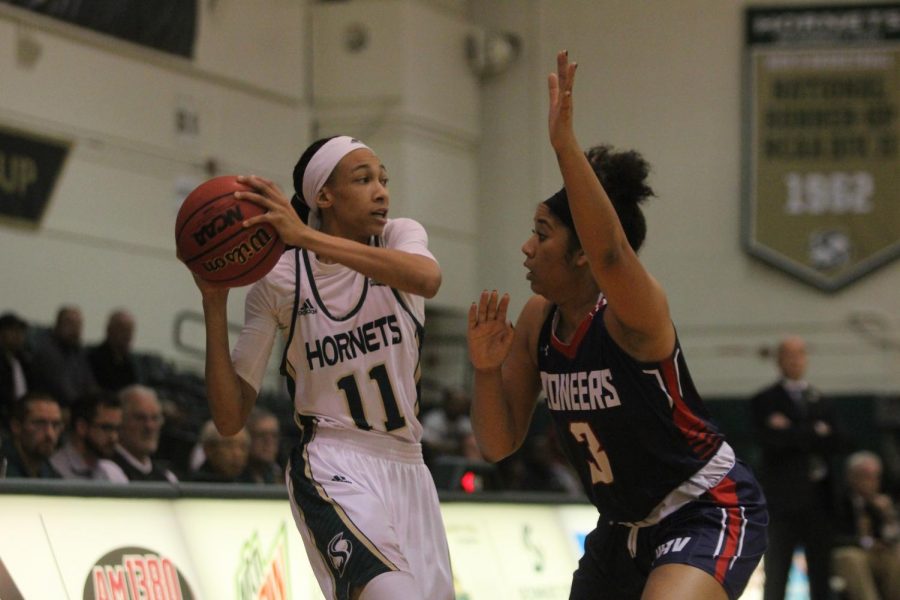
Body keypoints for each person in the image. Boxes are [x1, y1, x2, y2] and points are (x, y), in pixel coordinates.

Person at [466, 51, 768, 600]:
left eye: (543, 232)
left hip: (702, 507)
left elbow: (612, 255)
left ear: (582, 254)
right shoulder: (538, 320)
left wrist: (564, 147)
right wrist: (485, 372)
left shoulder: (633, 313)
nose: (527, 247)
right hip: (620, 529)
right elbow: (497, 444)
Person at [186, 135, 453, 599]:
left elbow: (427, 279)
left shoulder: (401, 237)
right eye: (364, 179)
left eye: (383, 180)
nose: (382, 191)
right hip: (332, 463)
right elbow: (229, 419)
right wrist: (213, 301)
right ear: (323, 196)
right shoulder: (281, 281)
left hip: (410, 467)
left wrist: (306, 236)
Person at [751, 335, 842, 600]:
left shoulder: (821, 399)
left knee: (822, 575)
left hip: (819, 501)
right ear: (779, 360)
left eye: (800, 354)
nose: (795, 360)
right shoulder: (765, 400)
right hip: (783, 503)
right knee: (777, 573)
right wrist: (814, 432)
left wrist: (792, 429)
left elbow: (838, 440)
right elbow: (771, 442)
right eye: (789, 355)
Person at [831, 451, 900, 600]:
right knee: (854, 558)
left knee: (897, 554)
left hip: (876, 554)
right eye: (865, 476)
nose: (871, 482)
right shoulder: (837, 501)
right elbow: (832, 537)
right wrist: (866, 543)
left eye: (875, 477)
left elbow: (892, 536)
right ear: (851, 476)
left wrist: (888, 516)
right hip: (847, 552)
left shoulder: (880, 503)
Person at [49, 391, 128, 482]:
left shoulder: (112, 471)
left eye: (117, 429)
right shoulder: (54, 470)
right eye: (106, 428)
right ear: (82, 427)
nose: (114, 437)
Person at [30, 305, 97, 409]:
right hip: (52, 407)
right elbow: (62, 389)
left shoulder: (78, 352)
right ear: (58, 324)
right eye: (70, 324)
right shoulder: (46, 351)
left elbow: (89, 384)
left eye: (78, 325)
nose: (75, 330)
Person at [112, 384, 177, 483]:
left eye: (155, 418)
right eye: (140, 418)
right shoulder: (106, 471)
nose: (149, 426)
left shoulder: (168, 478)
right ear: (120, 421)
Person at [3, 392, 63, 478]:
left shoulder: (48, 470)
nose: (50, 434)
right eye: (39, 423)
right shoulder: (3, 468)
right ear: (16, 427)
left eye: (55, 425)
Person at [88, 309, 139, 392]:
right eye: (123, 330)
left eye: (130, 331)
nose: (127, 335)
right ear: (109, 330)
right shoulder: (93, 358)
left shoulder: (130, 362)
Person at [0, 312, 33, 429]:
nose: (18, 336)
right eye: (13, 331)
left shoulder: (24, 361)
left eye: (21, 332)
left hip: (24, 414)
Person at [239, 407, 284, 485]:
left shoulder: (279, 474)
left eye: (274, 436)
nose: (269, 442)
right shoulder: (235, 476)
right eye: (261, 435)